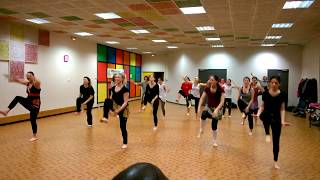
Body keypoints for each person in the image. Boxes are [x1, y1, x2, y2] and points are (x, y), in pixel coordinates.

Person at [256, 75, 290, 169]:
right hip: (266, 115)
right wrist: (258, 114)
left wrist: (282, 121)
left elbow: (282, 109)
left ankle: (275, 161)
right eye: (272, 82)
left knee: (276, 141)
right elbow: (262, 106)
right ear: (269, 83)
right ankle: (267, 133)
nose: (274, 84)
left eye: (276, 83)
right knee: (264, 115)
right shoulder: (266, 94)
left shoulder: (283, 94)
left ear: (279, 84)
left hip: (276, 118)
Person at [0, 71, 41, 142]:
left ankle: (34, 136)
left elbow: (38, 81)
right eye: (27, 76)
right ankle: (6, 111)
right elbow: (19, 80)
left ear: (33, 76)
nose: (28, 77)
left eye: (29, 76)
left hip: (35, 105)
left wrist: (33, 78)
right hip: (28, 102)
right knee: (17, 98)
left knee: (32, 120)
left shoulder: (36, 83)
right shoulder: (28, 83)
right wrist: (11, 77)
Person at [101, 73, 130, 149]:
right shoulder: (112, 88)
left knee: (122, 126)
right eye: (115, 77)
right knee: (107, 100)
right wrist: (110, 110)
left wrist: (117, 111)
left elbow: (125, 102)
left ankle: (125, 142)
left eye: (119, 77)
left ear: (122, 79)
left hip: (123, 109)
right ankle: (105, 117)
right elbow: (111, 99)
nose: (117, 78)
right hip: (115, 105)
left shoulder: (125, 90)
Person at [197, 75, 225, 147]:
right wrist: (199, 107)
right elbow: (202, 98)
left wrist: (216, 110)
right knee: (203, 114)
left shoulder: (220, 89)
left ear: (216, 81)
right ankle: (201, 129)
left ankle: (214, 141)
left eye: (212, 80)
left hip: (217, 108)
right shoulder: (207, 88)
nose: (210, 81)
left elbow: (222, 101)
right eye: (210, 79)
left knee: (214, 125)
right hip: (208, 107)